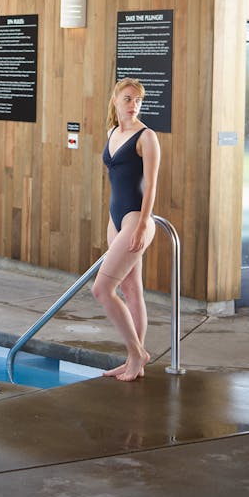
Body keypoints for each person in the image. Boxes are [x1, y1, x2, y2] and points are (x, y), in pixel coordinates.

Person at [92, 77, 160, 381]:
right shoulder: (112, 133)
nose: (134, 105)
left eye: (138, 101)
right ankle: (135, 361)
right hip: (115, 219)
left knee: (101, 289)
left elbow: (151, 185)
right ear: (116, 101)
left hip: (136, 219)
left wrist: (143, 224)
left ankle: (137, 352)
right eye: (128, 99)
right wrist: (112, 222)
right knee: (131, 289)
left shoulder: (147, 137)